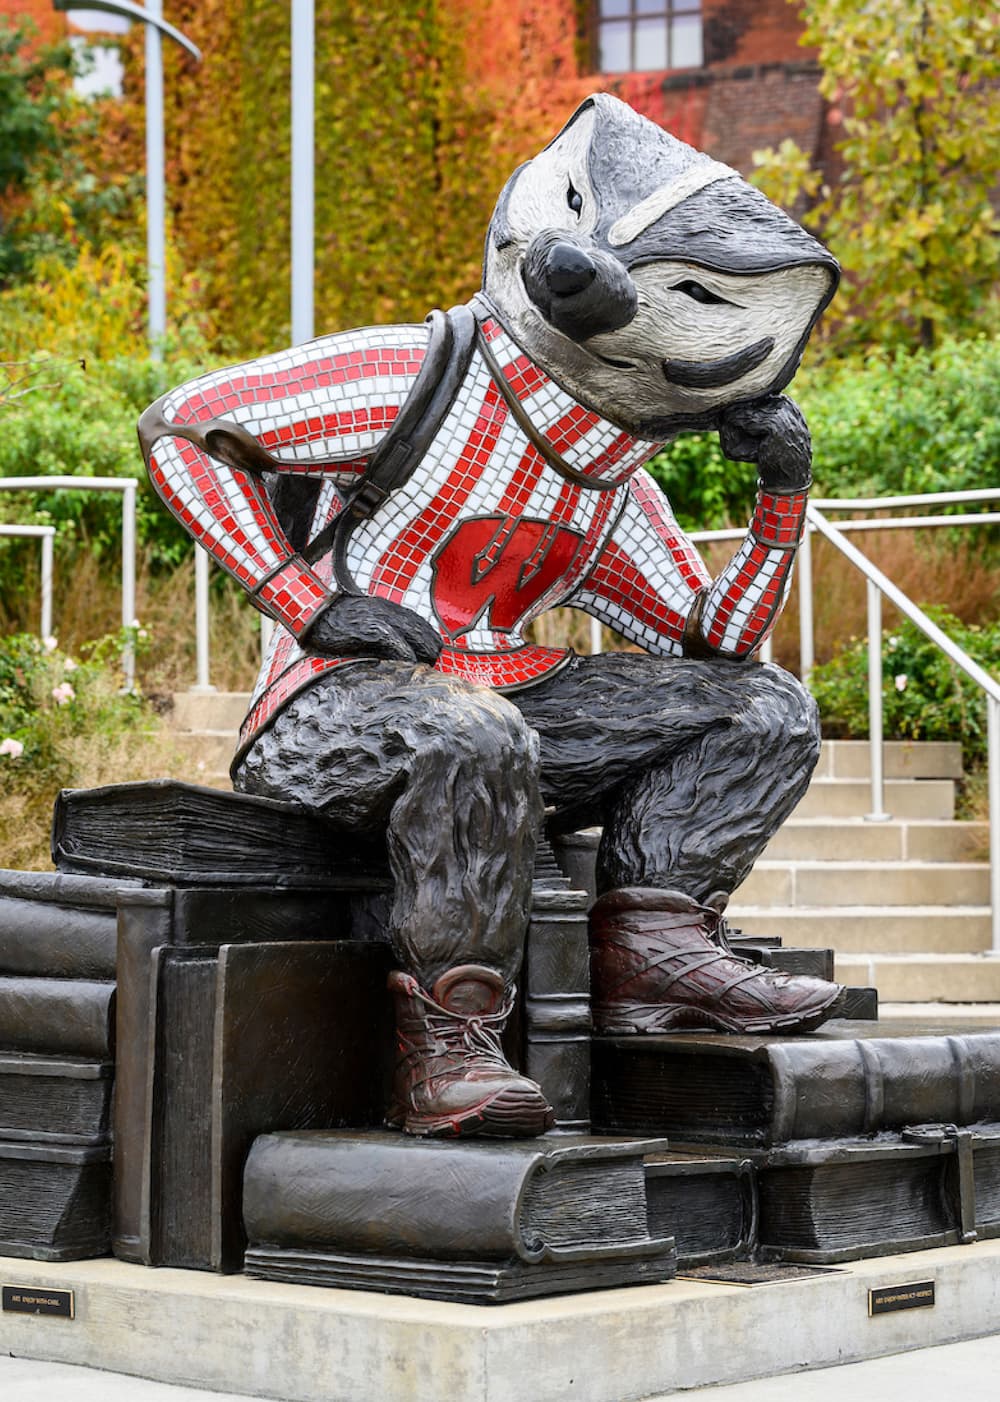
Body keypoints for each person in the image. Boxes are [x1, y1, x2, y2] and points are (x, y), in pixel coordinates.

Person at [139, 94, 843, 1140]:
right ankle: (449, 1040)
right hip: (327, 710)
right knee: (471, 731)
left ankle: (654, 952)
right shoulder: (417, 375)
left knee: (765, 710)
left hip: (504, 707)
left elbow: (715, 645)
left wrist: (780, 499)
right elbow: (184, 430)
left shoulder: (612, 476)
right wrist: (307, 602)